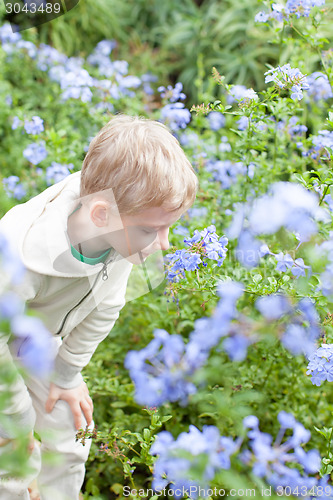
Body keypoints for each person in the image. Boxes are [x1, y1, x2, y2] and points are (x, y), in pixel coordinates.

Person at [0, 114, 198, 500]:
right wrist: (17, 415)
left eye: (167, 228)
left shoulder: (120, 232)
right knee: (13, 446)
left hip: (33, 340)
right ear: (100, 215)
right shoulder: (19, 252)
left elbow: (106, 308)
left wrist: (68, 375)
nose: (164, 244)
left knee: (72, 429)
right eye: (151, 229)